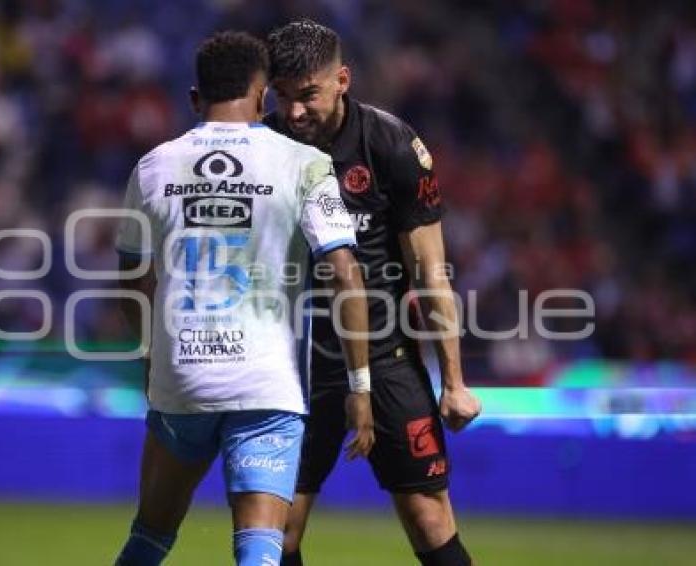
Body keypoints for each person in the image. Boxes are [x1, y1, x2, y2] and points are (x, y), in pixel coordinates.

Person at [112, 31, 375, 566]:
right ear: (262, 96)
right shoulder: (304, 164)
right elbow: (345, 276)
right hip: (266, 384)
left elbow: (132, 277)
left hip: (181, 376)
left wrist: (150, 353)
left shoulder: (153, 166)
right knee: (259, 548)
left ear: (195, 98)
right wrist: (360, 387)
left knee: (150, 535)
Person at [265, 20, 482, 566]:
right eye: (282, 96)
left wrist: (454, 382)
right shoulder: (264, 148)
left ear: (342, 80)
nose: (294, 112)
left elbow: (430, 273)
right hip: (293, 368)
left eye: (308, 95)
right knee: (276, 534)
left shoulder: (390, 145)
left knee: (429, 519)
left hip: (386, 358)